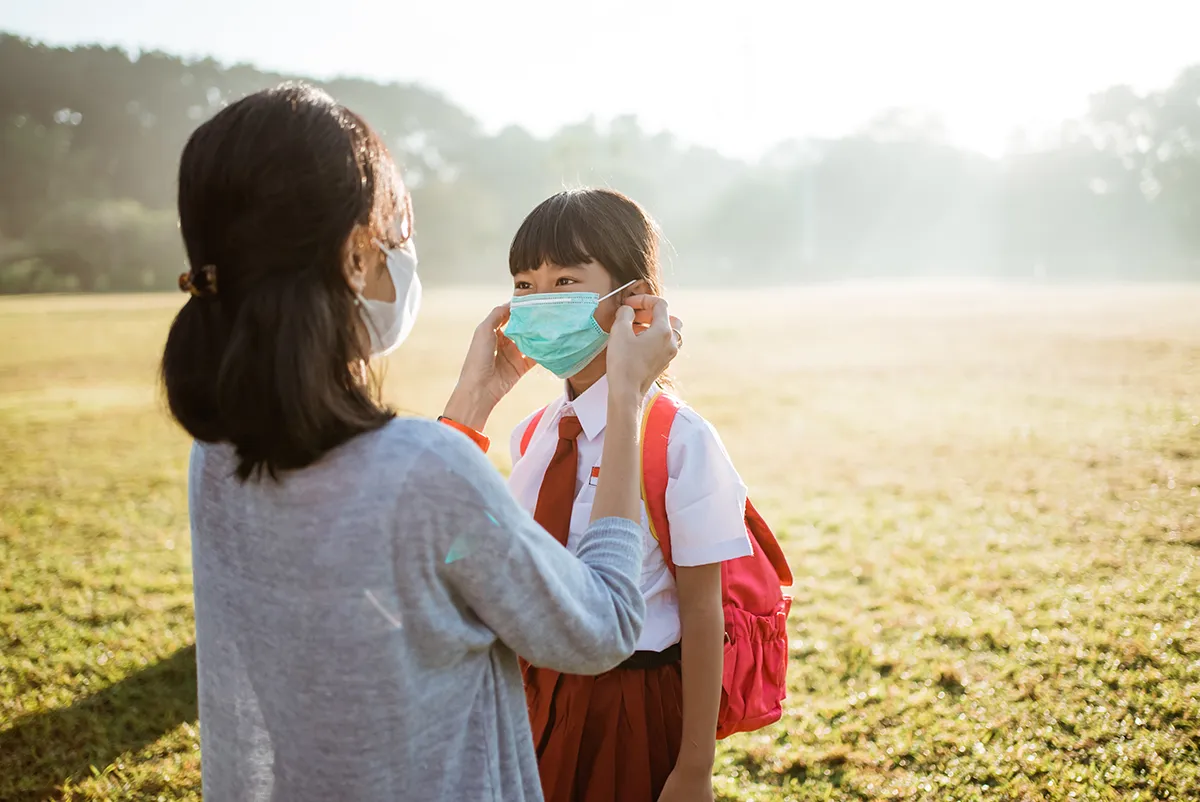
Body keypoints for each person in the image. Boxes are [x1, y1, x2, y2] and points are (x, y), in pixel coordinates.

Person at [160, 84, 679, 802]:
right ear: (352, 257)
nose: (405, 251)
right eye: (395, 232)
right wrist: (625, 399)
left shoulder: (216, 456)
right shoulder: (425, 472)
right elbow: (602, 624)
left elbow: (402, 556)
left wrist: (471, 404)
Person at [501, 188, 752, 802]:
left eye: (565, 280)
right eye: (525, 285)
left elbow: (701, 611)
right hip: (532, 699)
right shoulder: (531, 434)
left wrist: (695, 768)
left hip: (631, 703)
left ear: (629, 299)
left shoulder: (678, 439)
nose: (539, 303)